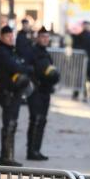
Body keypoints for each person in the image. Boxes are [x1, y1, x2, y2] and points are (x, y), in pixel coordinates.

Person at [0, 26, 33, 166]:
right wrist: (23, 68)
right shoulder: (0, 52)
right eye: (8, 36)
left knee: (12, 124)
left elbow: (22, 64)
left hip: (14, 92)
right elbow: (15, 67)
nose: (11, 38)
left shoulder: (10, 51)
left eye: (12, 36)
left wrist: (23, 67)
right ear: (2, 37)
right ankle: (6, 157)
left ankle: (9, 156)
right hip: (7, 92)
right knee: (9, 125)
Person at [26, 27, 60, 161]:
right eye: (42, 37)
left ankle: (36, 150)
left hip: (45, 91)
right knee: (36, 120)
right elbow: (35, 71)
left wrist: (54, 76)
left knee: (41, 121)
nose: (45, 39)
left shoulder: (45, 53)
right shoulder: (33, 52)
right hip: (36, 92)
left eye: (47, 37)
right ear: (38, 38)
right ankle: (32, 151)